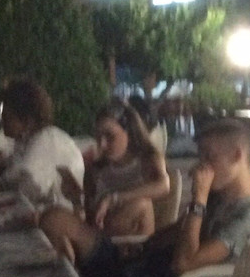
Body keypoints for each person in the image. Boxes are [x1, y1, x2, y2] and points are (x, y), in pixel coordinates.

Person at [41, 118, 250, 277]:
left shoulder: (248, 216)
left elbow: (184, 263)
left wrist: (199, 200)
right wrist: (142, 246)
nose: (201, 165)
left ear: (237, 155)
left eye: (209, 156)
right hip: (147, 267)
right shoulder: (219, 197)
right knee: (57, 225)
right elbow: (178, 231)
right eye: (201, 157)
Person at [47, 99, 170, 259]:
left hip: (133, 249)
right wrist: (76, 199)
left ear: (129, 132)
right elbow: (88, 220)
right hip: (99, 243)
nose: (102, 145)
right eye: (98, 138)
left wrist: (114, 198)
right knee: (52, 218)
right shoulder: (95, 170)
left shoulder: (148, 160)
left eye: (110, 137)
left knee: (141, 204)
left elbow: (163, 185)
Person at [0, 78, 85, 214]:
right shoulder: (24, 141)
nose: (1, 122)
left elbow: (27, 190)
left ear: (27, 120)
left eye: (7, 118)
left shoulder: (46, 140)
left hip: (61, 218)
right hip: (39, 213)